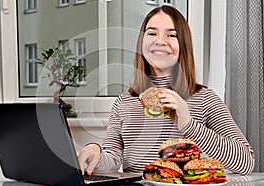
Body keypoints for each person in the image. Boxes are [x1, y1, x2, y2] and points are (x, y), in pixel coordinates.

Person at [77, 5, 255, 176]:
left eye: (172, 35)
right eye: (152, 33)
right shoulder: (124, 101)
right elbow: (113, 160)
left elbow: (246, 162)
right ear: (142, 42)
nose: (160, 41)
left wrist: (188, 124)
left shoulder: (205, 98)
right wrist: (95, 151)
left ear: (183, 45)